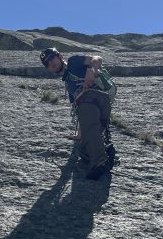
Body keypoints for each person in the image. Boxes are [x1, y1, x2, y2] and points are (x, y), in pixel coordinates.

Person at [39, 47, 117, 180]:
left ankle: (100, 162)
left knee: (86, 110)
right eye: (47, 63)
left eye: (51, 58)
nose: (50, 63)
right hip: (97, 106)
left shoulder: (73, 62)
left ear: (60, 56)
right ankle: (106, 150)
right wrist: (80, 134)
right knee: (83, 148)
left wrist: (91, 70)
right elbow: (81, 113)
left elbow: (97, 59)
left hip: (98, 97)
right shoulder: (68, 85)